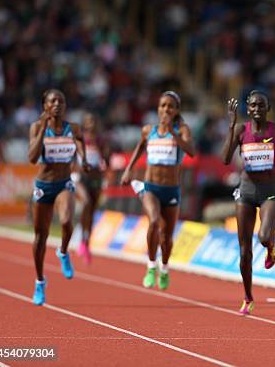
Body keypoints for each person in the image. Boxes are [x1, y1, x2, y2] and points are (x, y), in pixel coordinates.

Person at [221, 90, 275, 315]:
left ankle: (271, 245)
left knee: (264, 237)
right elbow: (226, 159)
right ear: (248, 108)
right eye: (253, 105)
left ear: (268, 108)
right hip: (246, 192)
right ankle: (248, 297)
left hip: (269, 192)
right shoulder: (240, 130)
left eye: (261, 105)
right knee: (245, 251)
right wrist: (231, 126)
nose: (257, 109)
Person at [120, 91, 195, 290]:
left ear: (176, 110)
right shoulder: (148, 130)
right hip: (151, 186)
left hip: (171, 190)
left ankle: (164, 267)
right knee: (153, 221)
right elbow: (139, 147)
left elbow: (191, 151)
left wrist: (173, 133)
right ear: (158, 108)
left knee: (166, 237)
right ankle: (151, 265)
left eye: (170, 106)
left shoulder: (182, 129)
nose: (166, 109)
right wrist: (129, 170)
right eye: (163, 105)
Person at [28, 89, 89, 306]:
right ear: (44, 106)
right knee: (40, 237)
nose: (57, 104)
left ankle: (63, 252)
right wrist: (43, 128)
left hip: (64, 183)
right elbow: (32, 158)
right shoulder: (36, 127)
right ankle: (40, 281)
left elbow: (81, 139)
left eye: (61, 101)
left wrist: (84, 158)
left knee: (66, 222)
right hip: (44, 186)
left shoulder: (72, 128)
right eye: (52, 101)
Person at [73, 113, 111, 264]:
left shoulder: (101, 140)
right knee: (86, 203)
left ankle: (86, 241)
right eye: (88, 122)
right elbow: (72, 157)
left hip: (96, 178)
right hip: (81, 178)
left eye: (93, 121)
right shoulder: (78, 138)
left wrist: (101, 149)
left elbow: (106, 160)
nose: (91, 124)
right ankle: (83, 238)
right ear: (84, 123)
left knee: (92, 210)